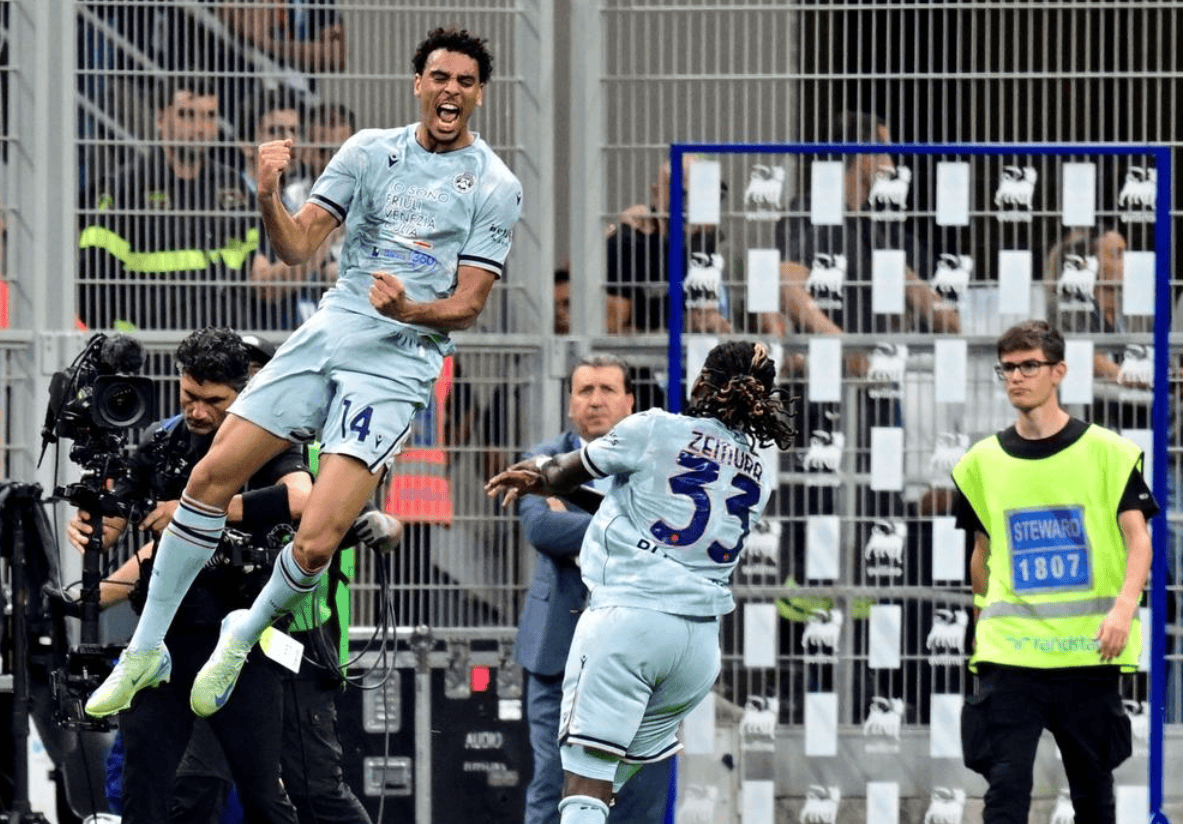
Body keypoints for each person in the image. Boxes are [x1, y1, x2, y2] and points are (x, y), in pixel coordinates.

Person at [85, 26, 522, 720]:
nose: (450, 91)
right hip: (331, 331)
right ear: (418, 83)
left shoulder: (495, 184)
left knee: (317, 541)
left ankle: (244, 632)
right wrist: (268, 194)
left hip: (399, 361)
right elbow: (294, 248)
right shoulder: (368, 151)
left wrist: (409, 309)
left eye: (464, 82)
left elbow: (468, 304)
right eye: (440, 77)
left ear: (479, 95)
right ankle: (146, 650)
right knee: (208, 477)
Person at [487, 341, 796, 824]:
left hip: (628, 626)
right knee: (623, 794)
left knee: (583, 788)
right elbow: (651, 514)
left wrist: (545, 476)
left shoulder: (655, 428)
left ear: (702, 385)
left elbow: (562, 474)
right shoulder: (758, 473)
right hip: (696, 648)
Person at [68, 327, 310, 824]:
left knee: (262, 794)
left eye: (213, 401)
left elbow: (302, 498)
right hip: (164, 639)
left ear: (242, 392)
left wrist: (197, 509)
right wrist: (96, 526)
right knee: (143, 786)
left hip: (241, 643)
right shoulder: (163, 440)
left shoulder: (268, 440)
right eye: (189, 397)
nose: (198, 411)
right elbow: (116, 515)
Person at [953, 320, 1156, 824]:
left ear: (1058, 371)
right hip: (1012, 653)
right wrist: (980, 617)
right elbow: (982, 550)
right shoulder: (981, 463)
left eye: (1029, 366)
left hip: (1086, 648)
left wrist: (1123, 609)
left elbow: (1139, 540)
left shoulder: (1108, 453)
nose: (1016, 377)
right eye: (1007, 368)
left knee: (1093, 791)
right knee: (1005, 790)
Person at [515, 353, 672, 824]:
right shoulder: (542, 462)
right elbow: (542, 530)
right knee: (553, 786)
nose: (596, 401)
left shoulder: (658, 467)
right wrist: (630, 529)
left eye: (607, 390)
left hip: (638, 658)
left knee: (636, 796)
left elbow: (668, 538)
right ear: (570, 403)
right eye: (585, 390)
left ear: (630, 402)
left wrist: (580, 521)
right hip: (558, 657)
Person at [77, 76, 257, 331]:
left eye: (209, 116)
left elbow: (257, 267)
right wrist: (130, 342)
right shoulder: (124, 188)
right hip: (155, 347)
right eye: (187, 114)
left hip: (226, 343)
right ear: (160, 120)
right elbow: (93, 287)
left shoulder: (232, 186)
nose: (200, 128)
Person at [605, 157, 732, 334]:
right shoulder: (629, 243)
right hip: (646, 348)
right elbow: (613, 328)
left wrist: (714, 324)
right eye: (684, 194)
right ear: (656, 193)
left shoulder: (703, 242)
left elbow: (704, 314)